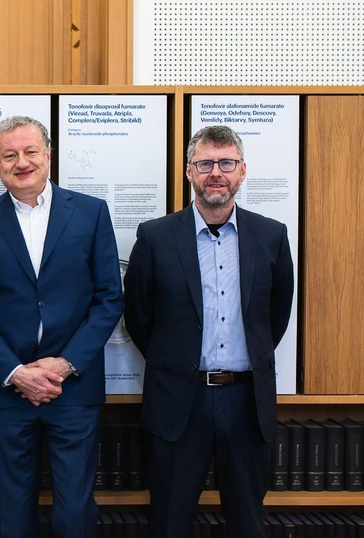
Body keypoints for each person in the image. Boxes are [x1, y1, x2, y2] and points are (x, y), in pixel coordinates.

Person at [123, 125, 294, 537]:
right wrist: (177, 362)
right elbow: (138, 316)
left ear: (242, 171)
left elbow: (276, 315)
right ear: (188, 172)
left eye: (226, 163)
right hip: (179, 401)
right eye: (205, 164)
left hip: (245, 401)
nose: (215, 172)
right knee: (169, 522)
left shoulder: (271, 235)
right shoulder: (155, 236)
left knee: (248, 523)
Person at [0, 116, 123, 537]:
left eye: (30, 151)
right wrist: (17, 373)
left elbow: (109, 299)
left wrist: (66, 364)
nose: (21, 162)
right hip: (6, 392)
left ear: (48, 154)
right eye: (9, 155)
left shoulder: (91, 213)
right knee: (12, 514)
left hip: (74, 388)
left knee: (74, 512)